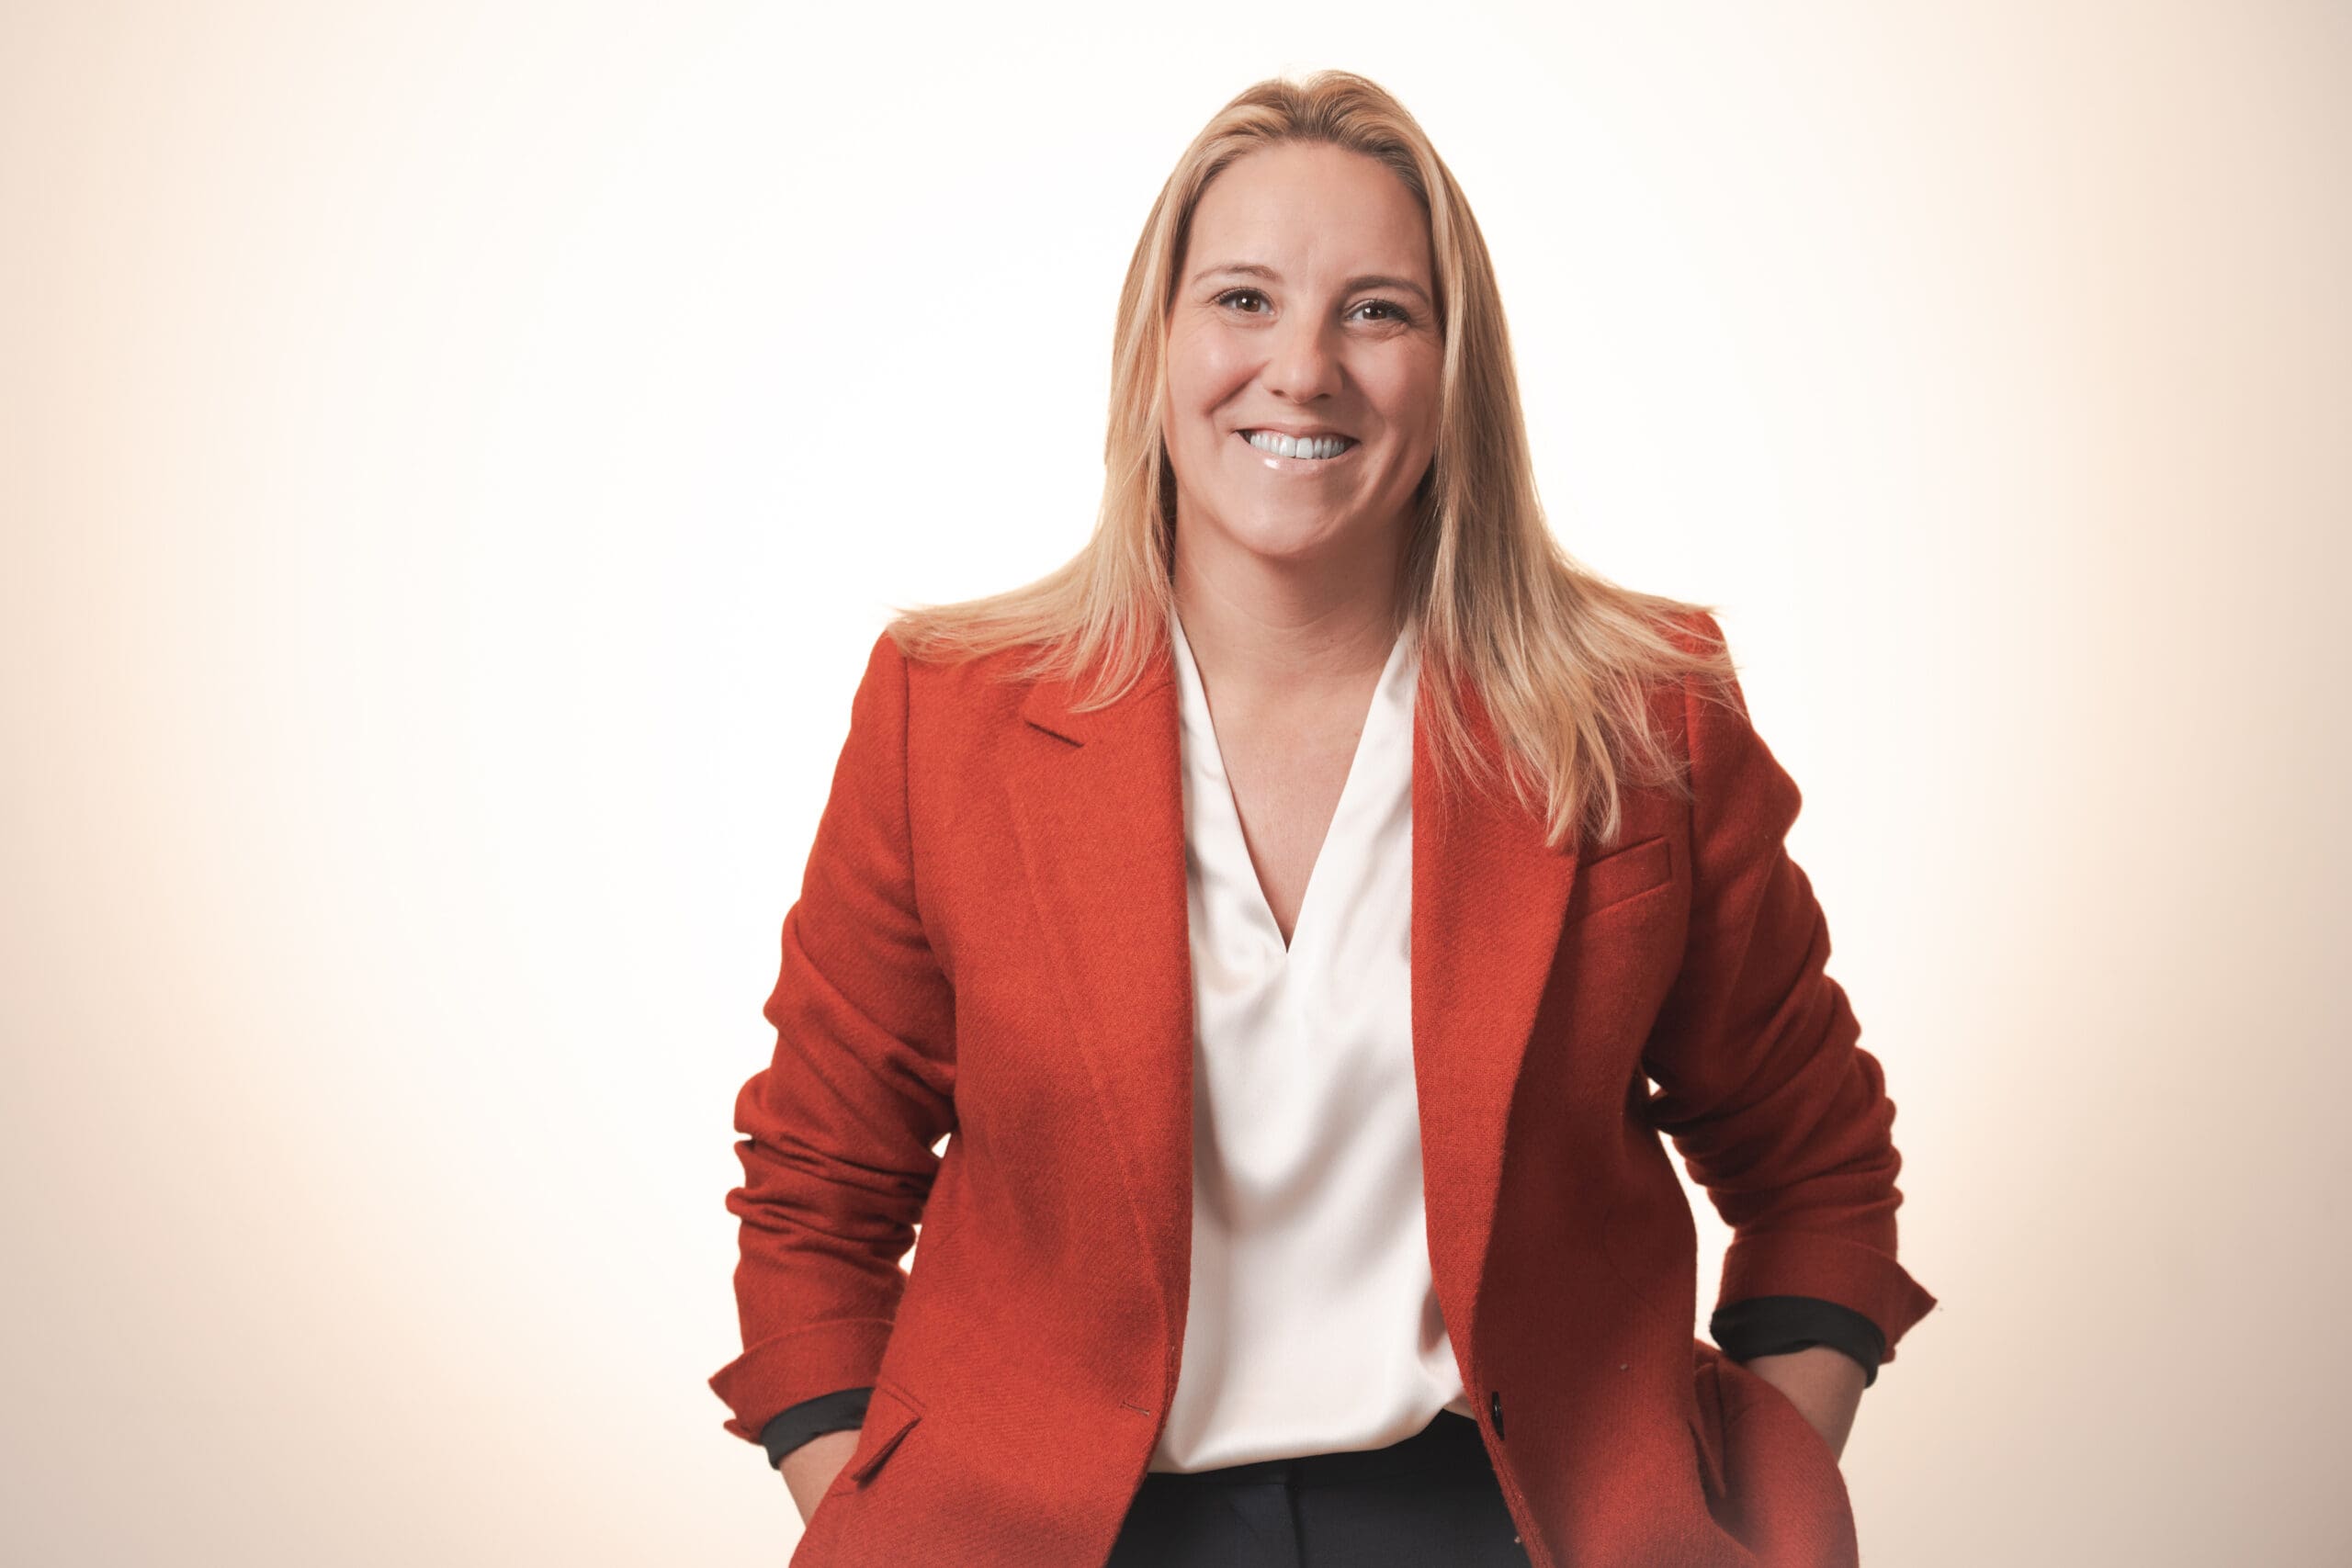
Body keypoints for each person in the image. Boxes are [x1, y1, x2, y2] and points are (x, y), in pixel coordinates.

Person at [708, 69, 1936, 1568]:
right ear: (1156, 350)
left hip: (1510, 1524)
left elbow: (1815, 1164)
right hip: (1074, 1538)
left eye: (1377, 312)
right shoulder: (947, 714)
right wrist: (884, 1521)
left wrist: (1752, 1497)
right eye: (1243, 299)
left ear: (1454, 369)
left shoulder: (1641, 718)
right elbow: (816, 1197)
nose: (1303, 370)